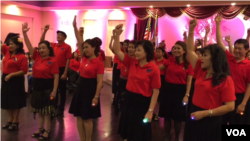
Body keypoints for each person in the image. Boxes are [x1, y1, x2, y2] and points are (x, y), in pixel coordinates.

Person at [183, 18, 235, 141]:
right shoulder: (201, 70)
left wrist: (206, 113)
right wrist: (191, 30)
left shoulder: (225, 79)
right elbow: (190, 50)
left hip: (211, 118)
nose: (201, 58)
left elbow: (230, 106)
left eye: (205, 55)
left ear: (214, 59)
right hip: (195, 112)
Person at [113, 24, 161, 141]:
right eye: (135, 49)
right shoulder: (132, 62)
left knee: (139, 132)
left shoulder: (153, 68)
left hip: (142, 103)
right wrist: (117, 35)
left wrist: (150, 111)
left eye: (139, 50)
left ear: (147, 52)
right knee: (128, 130)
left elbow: (155, 92)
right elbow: (116, 50)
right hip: (129, 99)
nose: (135, 52)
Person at [69, 16, 104, 141]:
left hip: (90, 90)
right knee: (79, 116)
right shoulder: (84, 58)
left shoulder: (98, 62)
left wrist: (96, 96)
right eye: (83, 48)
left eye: (86, 47)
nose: (84, 49)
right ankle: (81, 139)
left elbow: (100, 82)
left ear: (93, 48)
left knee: (87, 118)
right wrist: (74, 27)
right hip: (80, 87)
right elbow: (79, 40)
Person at [22, 22, 59, 139]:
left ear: (49, 49)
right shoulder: (37, 57)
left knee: (47, 112)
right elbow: (28, 46)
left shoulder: (53, 61)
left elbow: (56, 77)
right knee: (39, 111)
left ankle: (47, 131)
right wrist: (24, 33)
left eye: (44, 48)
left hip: (47, 89)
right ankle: (40, 129)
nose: (41, 50)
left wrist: (54, 91)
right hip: (37, 88)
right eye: (40, 48)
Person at [215, 14, 250, 125]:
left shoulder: (248, 65)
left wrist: (243, 103)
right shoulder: (229, 58)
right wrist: (217, 24)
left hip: (240, 98)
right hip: (225, 97)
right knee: (222, 122)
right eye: (235, 48)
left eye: (240, 49)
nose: (237, 51)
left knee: (237, 125)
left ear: (247, 50)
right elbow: (220, 42)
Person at [158, 41, 193, 141]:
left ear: (184, 51)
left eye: (178, 48)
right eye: (174, 48)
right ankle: (167, 136)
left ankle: (177, 137)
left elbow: (189, 81)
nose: (176, 50)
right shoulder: (170, 61)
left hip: (180, 91)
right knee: (167, 115)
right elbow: (157, 69)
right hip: (168, 90)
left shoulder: (188, 64)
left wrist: (187, 95)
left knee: (178, 117)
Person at [40, 25, 72, 115]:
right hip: (53, 69)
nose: (58, 36)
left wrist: (65, 73)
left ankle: (61, 108)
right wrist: (45, 31)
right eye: (57, 35)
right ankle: (54, 106)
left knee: (62, 90)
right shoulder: (53, 45)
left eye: (61, 35)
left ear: (64, 38)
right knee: (54, 89)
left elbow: (68, 60)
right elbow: (42, 41)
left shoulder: (67, 47)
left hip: (62, 69)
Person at [0, 36, 28, 130]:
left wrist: (11, 75)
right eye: (9, 44)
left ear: (18, 45)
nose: (10, 46)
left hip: (16, 80)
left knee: (15, 101)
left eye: (12, 44)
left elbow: (24, 70)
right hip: (6, 79)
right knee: (6, 100)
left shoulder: (22, 57)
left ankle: (16, 120)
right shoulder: (7, 52)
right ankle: (10, 119)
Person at [152, 47, 167, 121]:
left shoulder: (165, 61)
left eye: (159, 52)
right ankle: (152, 112)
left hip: (161, 79)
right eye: (156, 52)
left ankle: (157, 113)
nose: (157, 53)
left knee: (159, 98)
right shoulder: (153, 60)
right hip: (152, 78)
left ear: (163, 53)